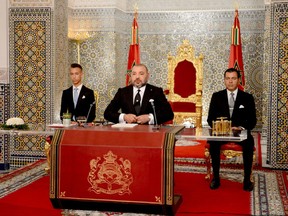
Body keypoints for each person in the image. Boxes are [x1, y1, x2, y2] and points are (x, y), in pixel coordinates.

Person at [207, 68, 257, 191]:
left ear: (239, 80)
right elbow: (210, 119)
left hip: (240, 132)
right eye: (228, 78)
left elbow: (252, 120)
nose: (230, 81)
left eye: (233, 78)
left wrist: (240, 127)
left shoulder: (247, 97)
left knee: (249, 143)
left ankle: (246, 180)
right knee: (213, 142)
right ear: (224, 80)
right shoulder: (216, 96)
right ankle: (216, 178)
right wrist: (223, 127)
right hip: (222, 132)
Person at [104, 63, 174, 125]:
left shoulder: (156, 91)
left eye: (141, 74)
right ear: (131, 76)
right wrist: (124, 117)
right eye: (134, 74)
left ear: (147, 75)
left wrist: (149, 118)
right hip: (127, 133)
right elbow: (107, 113)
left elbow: (169, 114)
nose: (137, 77)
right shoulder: (122, 92)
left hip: (150, 134)